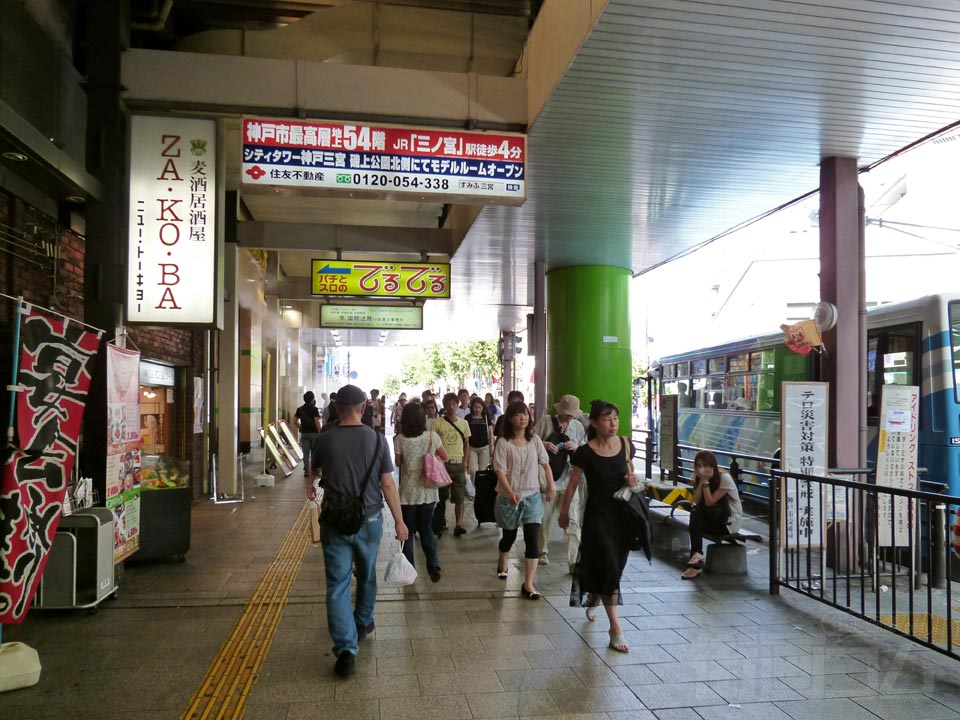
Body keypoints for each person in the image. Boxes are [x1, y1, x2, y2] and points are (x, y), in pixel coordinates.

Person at [309, 384, 408, 678]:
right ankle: (363, 620)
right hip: (370, 519)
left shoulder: (324, 439)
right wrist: (400, 521)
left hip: (335, 519)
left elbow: (316, 471)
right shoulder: (377, 441)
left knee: (337, 584)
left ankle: (346, 650)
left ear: (337, 408)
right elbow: (387, 484)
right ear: (364, 408)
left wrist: (314, 482)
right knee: (366, 574)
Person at [558, 399, 639, 654]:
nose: (613, 423)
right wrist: (564, 513)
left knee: (616, 565)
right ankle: (615, 627)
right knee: (609, 565)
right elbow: (572, 485)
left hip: (623, 516)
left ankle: (595, 596)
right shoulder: (585, 452)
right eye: (607, 418)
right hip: (598, 517)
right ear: (593, 422)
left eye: (615, 418)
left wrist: (633, 480)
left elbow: (631, 474)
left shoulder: (626, 444)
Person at [493, 400, 555, 599]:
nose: (523, 418)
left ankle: (528, 584)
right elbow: (500, 471)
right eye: (519, 414)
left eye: (526, 414)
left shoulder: (535, 440)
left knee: (532, 540)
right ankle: (503, 558)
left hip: (532, 497)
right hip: (508, 498)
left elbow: (545, 464)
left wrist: (551, 486)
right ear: (510, 418)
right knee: (509, 537)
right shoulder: (503, 442)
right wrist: (510, 491)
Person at [533, 394, 587, 571]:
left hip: (570, 479)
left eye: (571, 415)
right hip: (548, 479)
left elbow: (584, 448)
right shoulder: (546, 422)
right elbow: (531, 440)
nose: (568, 418)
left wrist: (576, 447)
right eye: (566, 414)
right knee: (544, 517)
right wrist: (545, 444)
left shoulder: (578, 427)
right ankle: (542, 550)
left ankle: (573, 560)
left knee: (573, 520)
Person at [395, 402, 447, 582]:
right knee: (426, 529)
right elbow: (445, 456)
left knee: (407, 533)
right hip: (428, 491)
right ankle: (433, 565)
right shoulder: (432, 436)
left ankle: (410, 570)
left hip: (407, 493)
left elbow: (398, 463)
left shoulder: (400, 439)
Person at [681, 450, 743, 579]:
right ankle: (696, 558)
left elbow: (709, 502)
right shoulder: (701, 478)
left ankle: (696, 561)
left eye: (705, 465)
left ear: (712, 465)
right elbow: (696, 501)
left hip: (728, 522)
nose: (702, 468)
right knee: (695, 513)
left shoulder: (724, 478)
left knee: (696, 517)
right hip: (714, 518)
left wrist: (705, 481)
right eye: (698, 465)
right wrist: (701, 481)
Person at [431, 393, 471, 537]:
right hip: (442, 464)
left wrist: (465, 461)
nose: (451, 407)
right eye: (448, 404)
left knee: (460, 496)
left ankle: (458, 524)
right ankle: (441, 522)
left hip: (458, 463)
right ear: (444, 406)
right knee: (441, 496)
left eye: (454, 404)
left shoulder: (464, 423)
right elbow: (432, 442)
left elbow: (466, 443)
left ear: (457, 404)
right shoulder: (437, 423)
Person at [294, 391, 321, 477]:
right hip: (314, 434)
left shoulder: (300, 409)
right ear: (313, 399)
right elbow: (316, 422)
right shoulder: (314, 409)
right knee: (314, 453)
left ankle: (306, 471)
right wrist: (320, 432)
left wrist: (300, 427)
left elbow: (294, 421)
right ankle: (313, 469)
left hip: (304, 434)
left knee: (305, 454)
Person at [466, 397, 493, 479]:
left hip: (484, 447)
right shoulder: (468, 417)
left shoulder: (486, 417)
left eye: (479, 407)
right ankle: (473, 486)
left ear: (483, 407)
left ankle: (481, 486)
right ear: (472, 407)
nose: (477, 409)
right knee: (472, 470)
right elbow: (466, 433)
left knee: (483, 470)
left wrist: (491, 446)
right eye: (475, 407)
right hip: (472, 448)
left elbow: (490, 432)